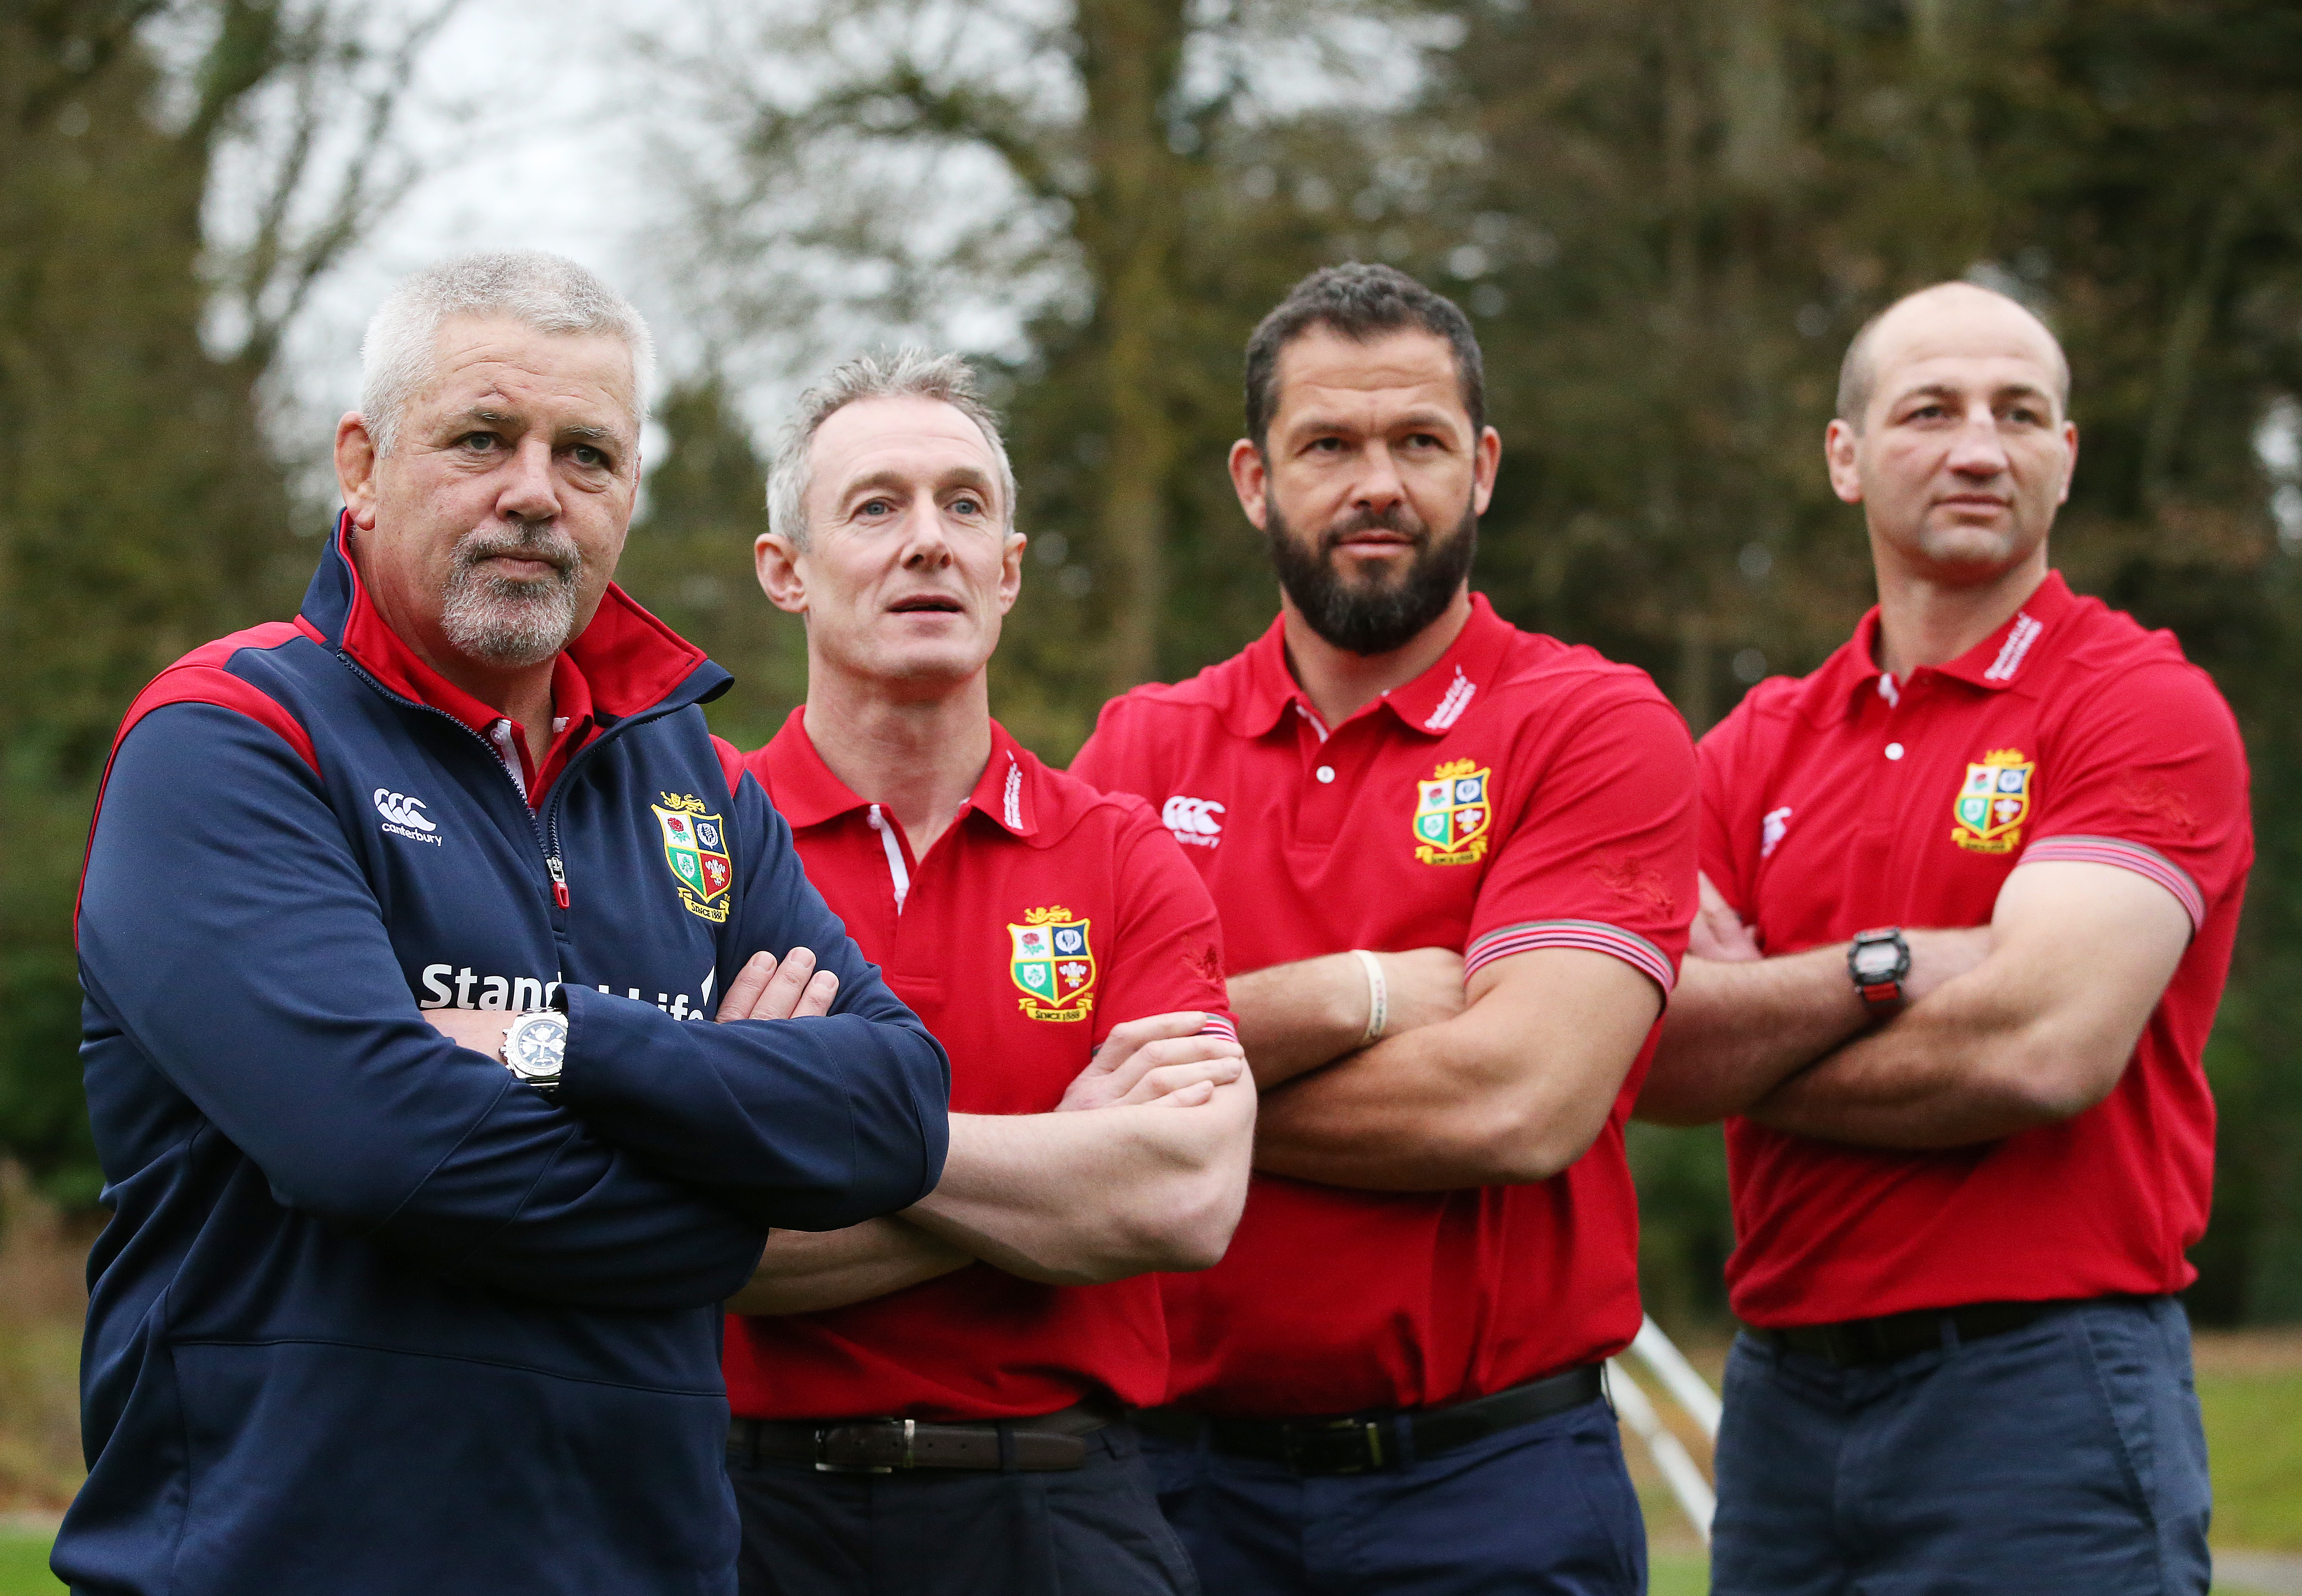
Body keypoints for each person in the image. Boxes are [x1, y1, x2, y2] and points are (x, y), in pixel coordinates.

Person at [64, 252, 951, 1596]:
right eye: (483, 438)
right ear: (360, 466)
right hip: (276, 1561)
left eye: (585, 455)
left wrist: (553, 1045)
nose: (535, 493)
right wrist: (738, 1201)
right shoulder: (232, 739)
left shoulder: (698, 787)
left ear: (629, 493)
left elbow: (895, 1109)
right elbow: (378, 1145)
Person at [1070, 263, 1698, 1594]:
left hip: (1490, 1491)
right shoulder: (1140, 743)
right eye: (1328, 445)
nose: (1377, 485)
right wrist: (1350, 999)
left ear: (1479, 468)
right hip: (1175, 1489)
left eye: (1416, 443)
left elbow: (1515, 1102)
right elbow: (1051, 1080)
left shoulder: (1591, 728)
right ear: (1254, 479)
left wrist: (1160, 1106)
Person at [1640, 280, 2252, 1596]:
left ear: (2064, 459)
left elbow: (2037, 1050)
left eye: (2017, 414)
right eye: (1930, 411)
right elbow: (1648, 1058)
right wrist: (1900, 965)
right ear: (1845, 457)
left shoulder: (2140, 706)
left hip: (2042, 1389)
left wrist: (1756, 1026)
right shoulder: (1753, 747)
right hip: (1783, 1401)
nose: (1979, 447)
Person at [721, 349, 1255, 1596]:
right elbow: (668, 1225)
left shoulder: (1123, 855)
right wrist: (1055, 1166)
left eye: (964, 506)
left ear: (1009, 573)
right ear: (783, 571)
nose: (928, 542)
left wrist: (811, 1131)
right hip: (739, 1512)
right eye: (875, 506)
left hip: (1057, 1512)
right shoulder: (684, 839)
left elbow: (1179, 1204)